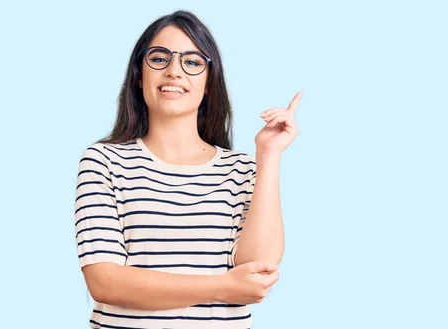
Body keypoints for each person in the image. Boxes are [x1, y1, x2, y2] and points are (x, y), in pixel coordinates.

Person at [74, 10, 301, 329]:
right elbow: (105, 282)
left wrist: (268, 155)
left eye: (192, 62)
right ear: (140, 75)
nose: (174, 71)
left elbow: (257, 271)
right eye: (159, 58)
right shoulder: (104, 161)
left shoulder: (241, 169)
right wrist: (224, 286)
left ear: (209, 83)